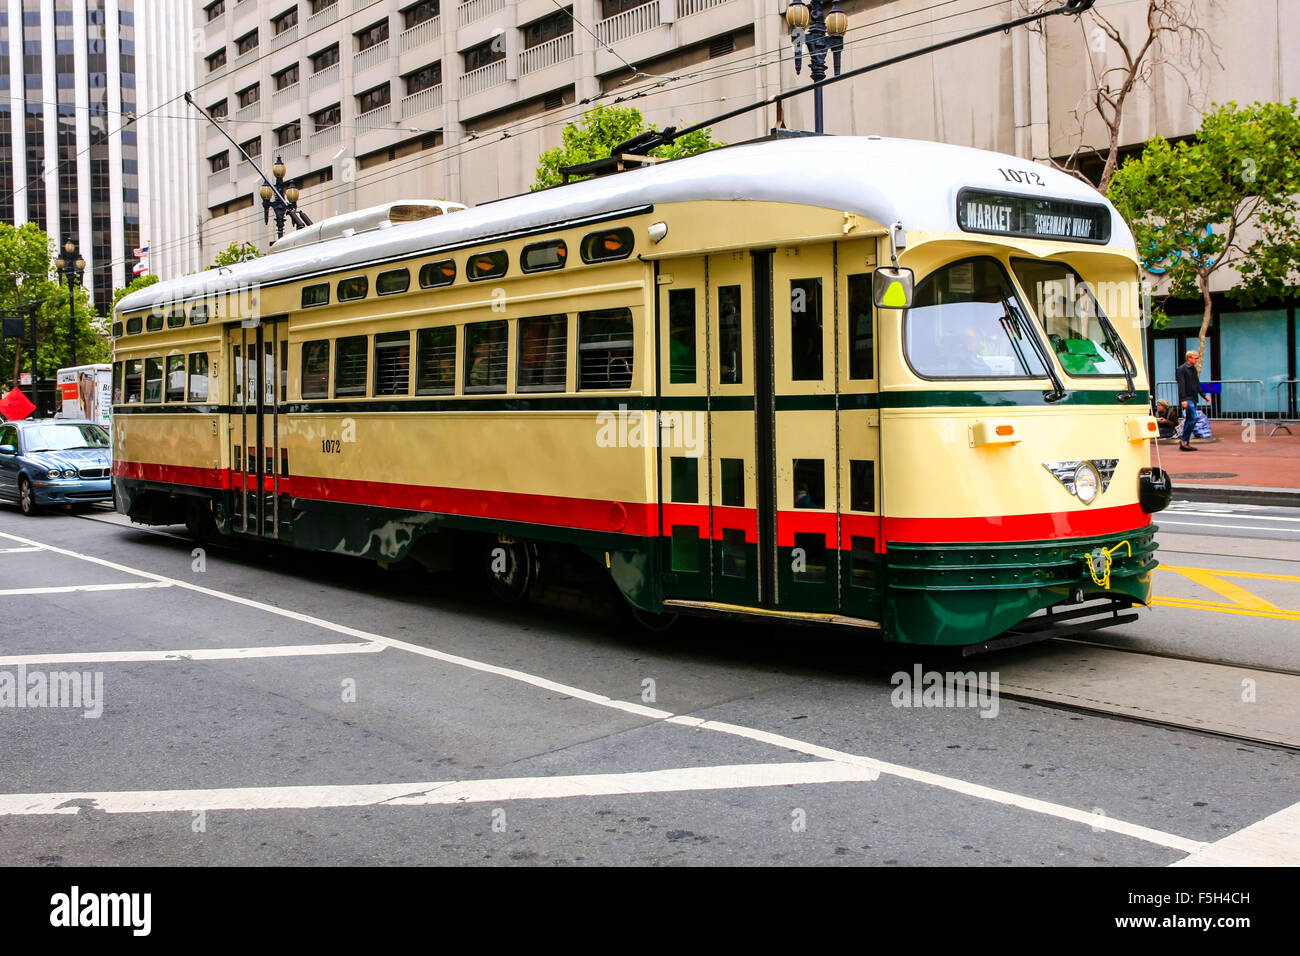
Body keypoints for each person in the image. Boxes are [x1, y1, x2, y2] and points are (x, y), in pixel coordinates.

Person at [1175, 350, 1207, 451]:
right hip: (1187, 398)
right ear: (1189, 358)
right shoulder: (1181, 369)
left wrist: (1204, 395)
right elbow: (1181, 385)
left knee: (1190, 419)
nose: (1197, 360)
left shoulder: (1193, 369)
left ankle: (1185, 442)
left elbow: (1197, 383)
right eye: (1195, 358)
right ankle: (1184, 440)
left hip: (1193, 397)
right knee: (1193, 417)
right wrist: (1183, 399)